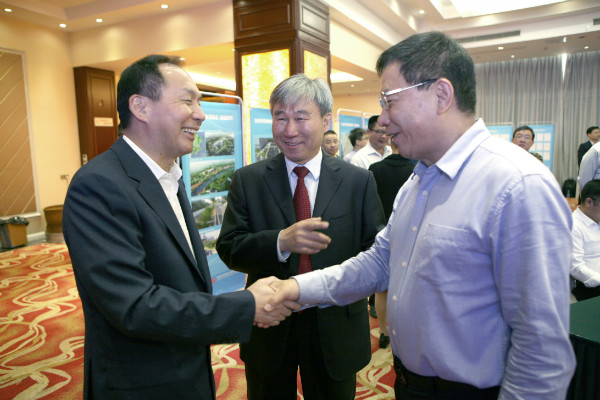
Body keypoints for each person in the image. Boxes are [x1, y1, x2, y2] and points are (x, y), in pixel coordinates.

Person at [266, 31, 575, 399]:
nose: (382, 120)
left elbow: (540, 348)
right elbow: (379, 262)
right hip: (409, 384)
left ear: (441, 95)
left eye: (389, 101)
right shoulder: (419, 180)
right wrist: (296, 288)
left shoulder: (515, 185)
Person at [62, 55, 296, 400]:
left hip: (185, 368)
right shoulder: (99, 185)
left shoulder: (169, 176)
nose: (200, 114)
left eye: (199, 102)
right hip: (141, 384)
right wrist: (245, 306)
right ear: (140, 107)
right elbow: (133, 305)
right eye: (188, 101)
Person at [216, 73, 386, 400]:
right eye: (280, 118)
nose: (290, 130)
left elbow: (375, 252)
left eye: (301, 118)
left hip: (334, 323)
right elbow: (229, 247)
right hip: (269, 323)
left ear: (325, 121)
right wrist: (280, 242)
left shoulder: (358, 181)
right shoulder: (248, 180)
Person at [368, 140, 415, 349]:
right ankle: (403, 333)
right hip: (409, 234)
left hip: (381, 232)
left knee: (382, 288)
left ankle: (383, 331)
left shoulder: (375, 169)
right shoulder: (417, 170)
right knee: (408, 287)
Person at [571, 179, 600, 301]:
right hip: (590, 288)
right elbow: (576, 267)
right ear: (589, 202)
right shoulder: (574, 226)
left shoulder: (596, 218)